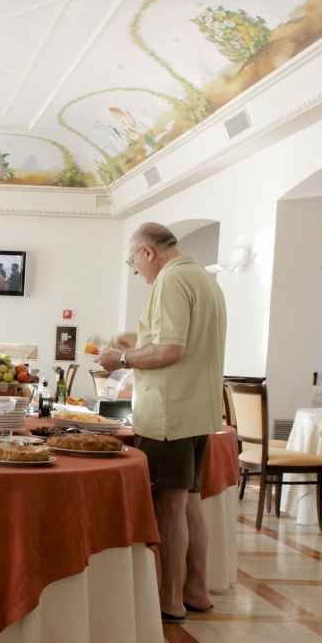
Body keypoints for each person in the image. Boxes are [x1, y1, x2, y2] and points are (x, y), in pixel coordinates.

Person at [100, 223, 227, 622]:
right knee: (189, 503)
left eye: (133, 262)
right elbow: (182, 343)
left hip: (169, 411)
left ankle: (169, 600)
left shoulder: (170, 282)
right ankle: (196, 590)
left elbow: (171, 350)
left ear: (147, 252)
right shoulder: (204, 279)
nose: (136, 271)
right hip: (198, 407)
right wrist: (133, 345)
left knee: (169, 507)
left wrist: (119, 360)